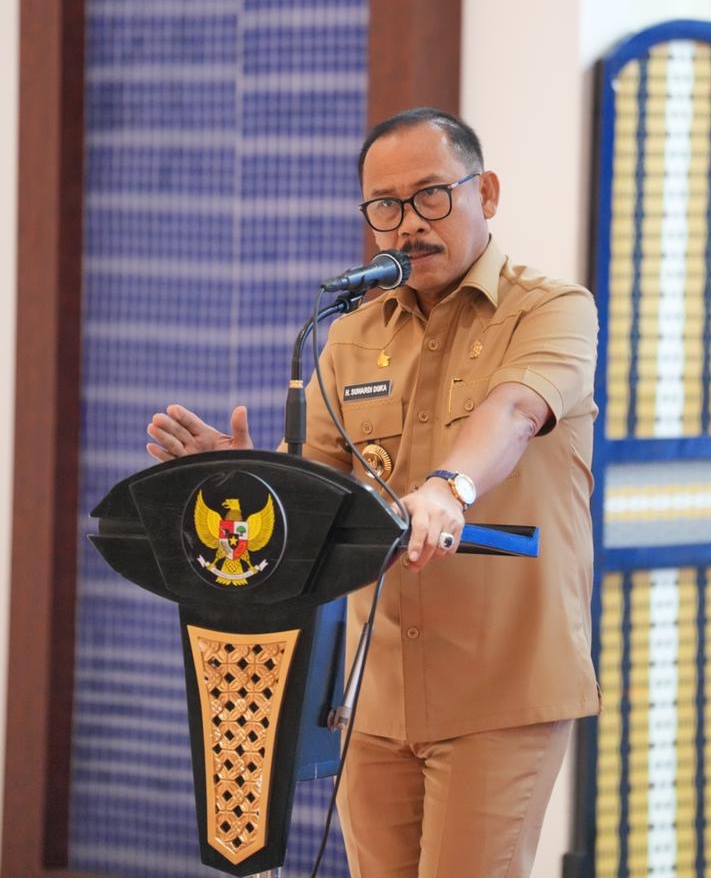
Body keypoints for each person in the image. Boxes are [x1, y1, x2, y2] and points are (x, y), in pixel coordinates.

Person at [147, 107, 599, 878]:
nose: (407, 224)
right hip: (375, 692)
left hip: (501, 684)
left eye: (430, 196)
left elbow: (517, 411)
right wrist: (248, 478)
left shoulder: (551, 309)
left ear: (486, 192)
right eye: (385, 206)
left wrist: (449, 489)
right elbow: (318, 487)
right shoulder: (354, 334)